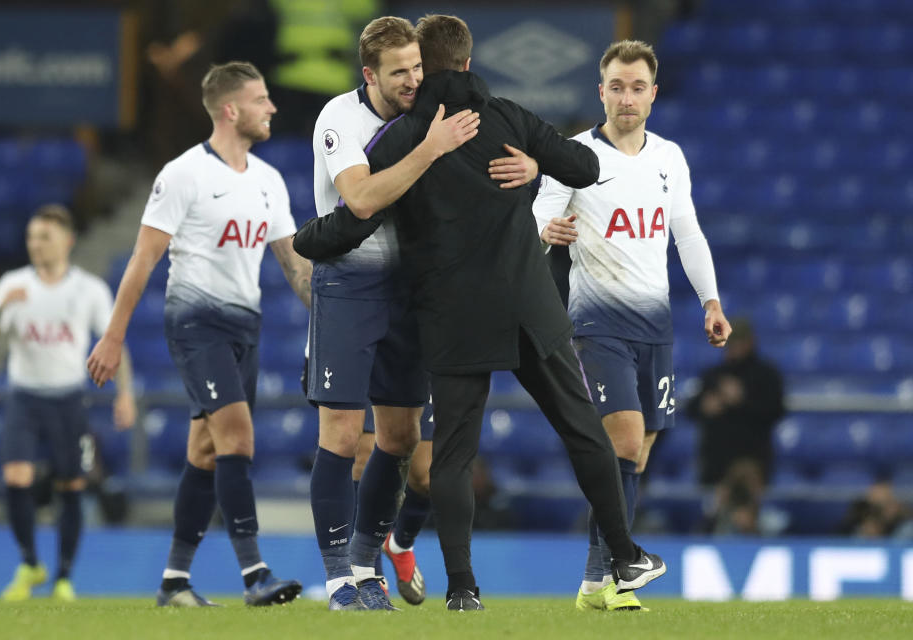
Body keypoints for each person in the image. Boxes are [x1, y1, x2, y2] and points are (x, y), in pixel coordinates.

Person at [295, 14, 667, 611]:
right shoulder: (508, 117)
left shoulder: (398, 139)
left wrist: (307, 239)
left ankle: (462, 590)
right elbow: (590, 167)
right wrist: (536, 165)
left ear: (428, 66)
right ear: (468, 64)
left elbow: (353, 217)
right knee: (581, 431)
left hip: (450, 316)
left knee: (452, 456)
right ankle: (624, 555)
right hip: (527, 305)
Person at [306, 16, 534, 610]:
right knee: (339, 432)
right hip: (350, 285)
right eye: (398, 72)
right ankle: (336, 579)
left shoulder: (428, 111)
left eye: (416, 67)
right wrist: (431, 148)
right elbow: (358, 199)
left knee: (403, 438)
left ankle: (367, 564)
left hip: (410, 290)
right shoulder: (341, 118)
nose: (412, 79)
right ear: (369, 75)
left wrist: (533, 170)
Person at [87, 61, 311, 607]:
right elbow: (143, 259)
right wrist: (113, 337)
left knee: (206, 453)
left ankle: (174, 581)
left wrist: (337, 319)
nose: (272, 107)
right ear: (231, 110)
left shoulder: (268, 179)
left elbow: (293, 263)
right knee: (237, 437)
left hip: (247, 326)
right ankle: (255, 574)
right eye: (261, 99)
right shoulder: (184, 174)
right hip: (195, 322)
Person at [532, 39, 730, 612]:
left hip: (656, 326)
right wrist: (548, 232)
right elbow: (540, 213)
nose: (626, 97)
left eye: (636, 86)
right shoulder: (574, 155)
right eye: (616, 86)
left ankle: (595, 581)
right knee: (620, 440)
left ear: (652, 94)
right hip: (596, 322)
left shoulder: (669, 157)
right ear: (601, 92)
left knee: (636, 454)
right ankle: (623, 569)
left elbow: (687, 233)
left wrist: (711, 302)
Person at [0, 204, 137, 602]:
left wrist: (125, 395)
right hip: (24, 397)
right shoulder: (12, 285)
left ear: (66, 241)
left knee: (72, 485)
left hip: (68, 400)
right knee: (16, 476)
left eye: (44, 237)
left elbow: (114, 344)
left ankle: (63, 577)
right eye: (31, 237)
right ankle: (30, 562)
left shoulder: (89, 290)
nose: (36, 245)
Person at [686, 318, 785, 486]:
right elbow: (691, 409)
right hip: (716, 463)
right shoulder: (714, 374)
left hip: (752, 459)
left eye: (738, 342)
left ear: (750, 342)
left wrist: (742, 401)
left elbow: (775, 411)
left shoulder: (766, 375)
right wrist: (705, 406)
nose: (733, 348)